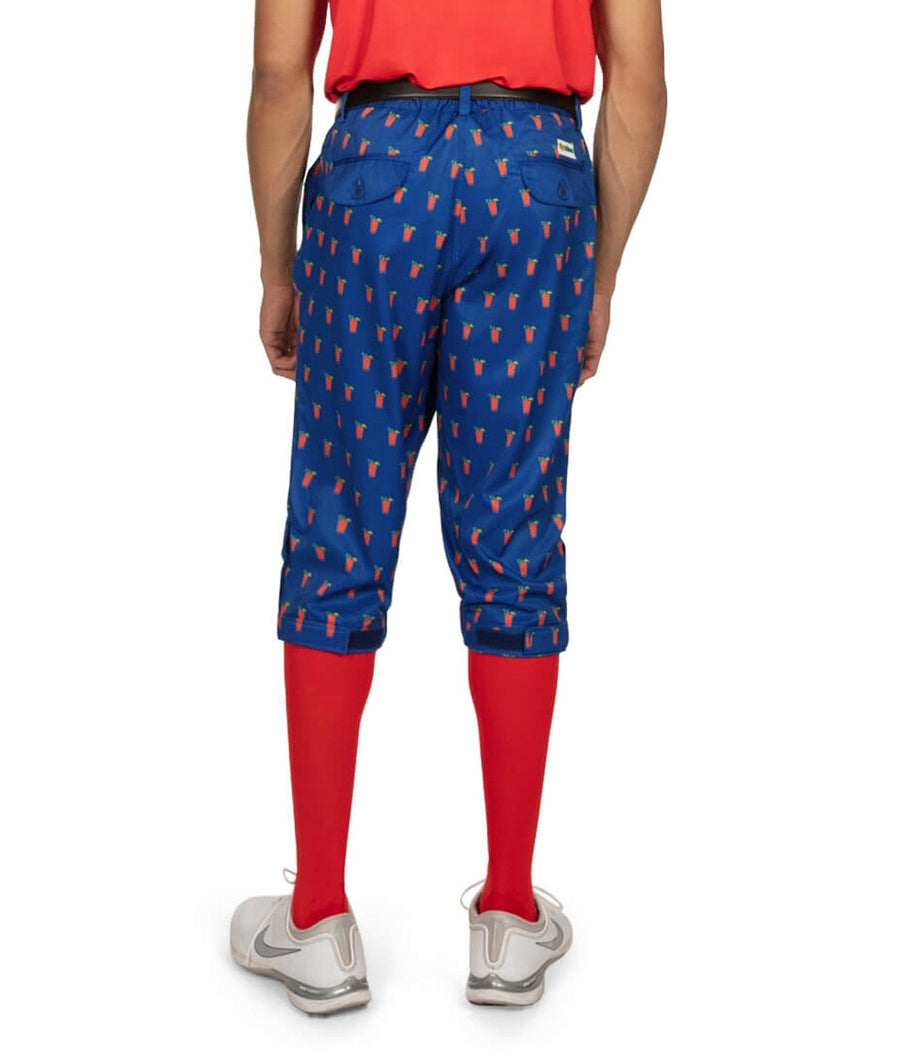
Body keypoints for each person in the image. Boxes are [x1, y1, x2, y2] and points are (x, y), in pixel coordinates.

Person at [230, 0, 666, 1014]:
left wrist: (276, 268)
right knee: (515, 534)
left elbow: (278, 75)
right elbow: (640, 82)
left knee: (340, 525)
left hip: (376, 176)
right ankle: (509, 917)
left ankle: (318, 920)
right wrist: (598, 276)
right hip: (536, 180)